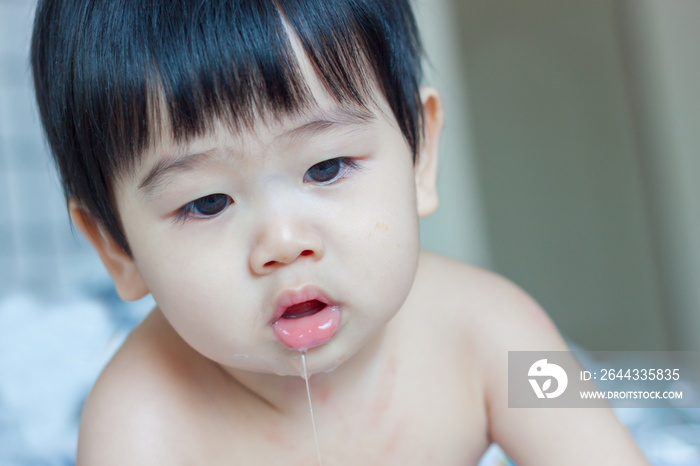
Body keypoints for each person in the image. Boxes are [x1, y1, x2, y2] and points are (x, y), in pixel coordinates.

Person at [31, 0, 648, 464]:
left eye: (325, 168)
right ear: (116, 246)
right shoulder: (142, 427)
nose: (283, 241)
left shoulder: (492, 331)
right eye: (207, 202)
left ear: (420, 154)